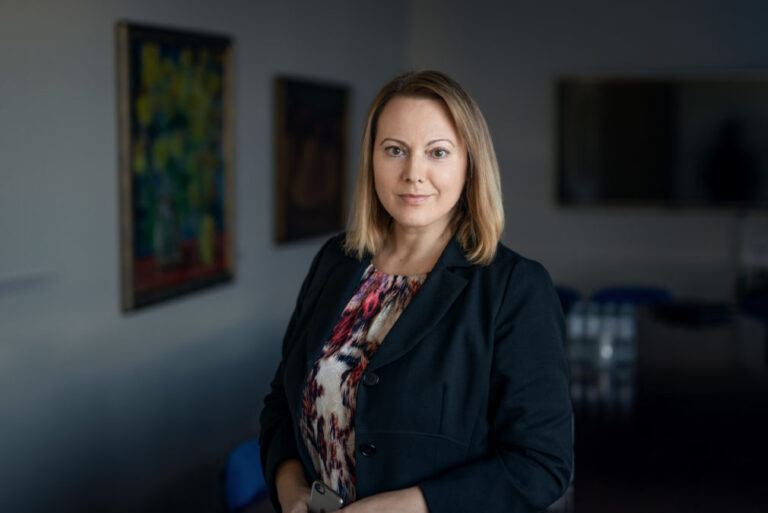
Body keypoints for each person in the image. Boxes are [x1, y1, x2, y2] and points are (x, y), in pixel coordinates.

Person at [259, 70, 573, 513]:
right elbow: (281, 402)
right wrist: (291, 487)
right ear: (372, 158)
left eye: (437, 152)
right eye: (395, 150)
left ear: (470, 165)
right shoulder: (336, 261)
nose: (413, 174)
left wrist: (411, 506)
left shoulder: (515, 288)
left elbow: (541, 465)